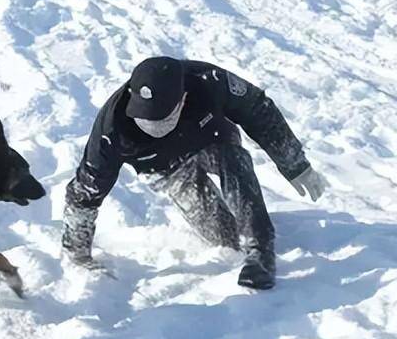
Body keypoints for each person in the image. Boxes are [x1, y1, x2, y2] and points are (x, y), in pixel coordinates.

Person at [60, 56, 327, 289]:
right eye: (144, 118)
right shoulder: (111, 130)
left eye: (161, 118)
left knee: (234, 161)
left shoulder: (209, 81)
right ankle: (238, 236)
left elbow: (258, 109)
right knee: (227, 240)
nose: (150, 126)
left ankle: (260, 248)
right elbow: (85, 193)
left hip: (211, 140)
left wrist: (295, 165)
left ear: (183, 98)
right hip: (167, 169)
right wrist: (78, 255)